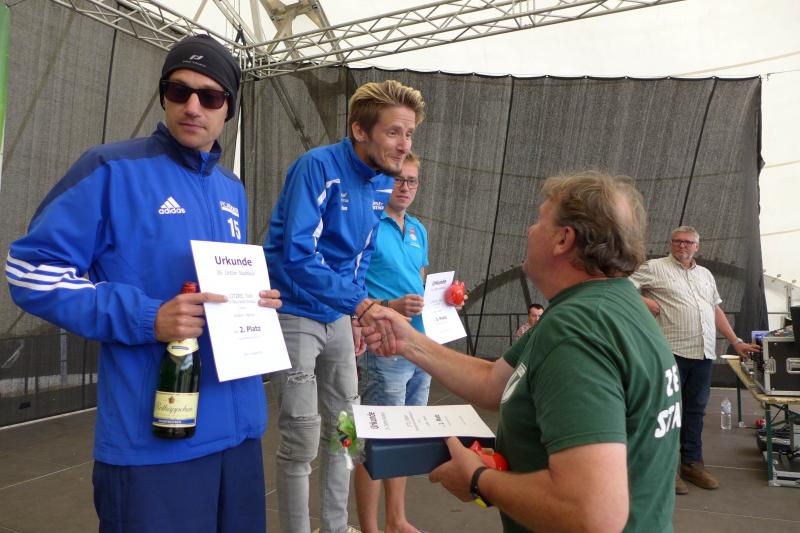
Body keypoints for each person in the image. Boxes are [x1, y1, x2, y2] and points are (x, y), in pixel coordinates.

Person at [5, 35, 281, 532]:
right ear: (163, 96)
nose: (192, 106)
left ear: (229, 109)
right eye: (179, 91)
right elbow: (31, 270)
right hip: (155, 443)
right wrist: (146, 317)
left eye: (210, 96)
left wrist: (255, 301)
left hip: (239, 433)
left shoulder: (231, 188)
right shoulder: (110, 168)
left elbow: (217, 284)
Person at [363, 171, 680, 533]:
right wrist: (407, 341)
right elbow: (494, 381)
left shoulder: (577, 330)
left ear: (563, 239)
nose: (530, 230)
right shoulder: (608, 305)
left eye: (539, 220)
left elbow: (592, 512)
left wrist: (478, 479)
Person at [263, 80, 425, 533]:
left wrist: (352, 313)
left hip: (338, 316)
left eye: (409, 134)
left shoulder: (381, 182)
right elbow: (297, 255)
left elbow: (362, 255)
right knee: (301, 436)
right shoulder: (317, 167)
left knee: (347, 432)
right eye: (394, 132)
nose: (404, 145)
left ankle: (336, 528)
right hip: (295, 312)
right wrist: (362, 305)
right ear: (359, 130)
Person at [629, 225, 760, 494]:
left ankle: (691, 464)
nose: (682, 245)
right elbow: (621, 285)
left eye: (688, 242)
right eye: (677, 241)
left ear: (697, 246)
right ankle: (666, 469)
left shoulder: (705, 275)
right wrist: (646, 302)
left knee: (695, 411)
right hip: (670, 353)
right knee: (666, 412)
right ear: (670, 243)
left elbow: (715, 310)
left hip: (703, 353)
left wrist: (736, 341)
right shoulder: (655, 267)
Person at [353, 152, 429, 533]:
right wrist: (390, 306)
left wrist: (446, 299)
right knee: (377, 441)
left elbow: (420, 279)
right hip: (383, 345)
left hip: (420, 345)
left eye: (412, 180)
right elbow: (351, 285)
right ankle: (371, 528)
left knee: (406, 438)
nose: (406, 187)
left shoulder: (418, 229)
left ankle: (396, 521)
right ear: (385, 181)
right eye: (399, 179)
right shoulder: (367, 223)